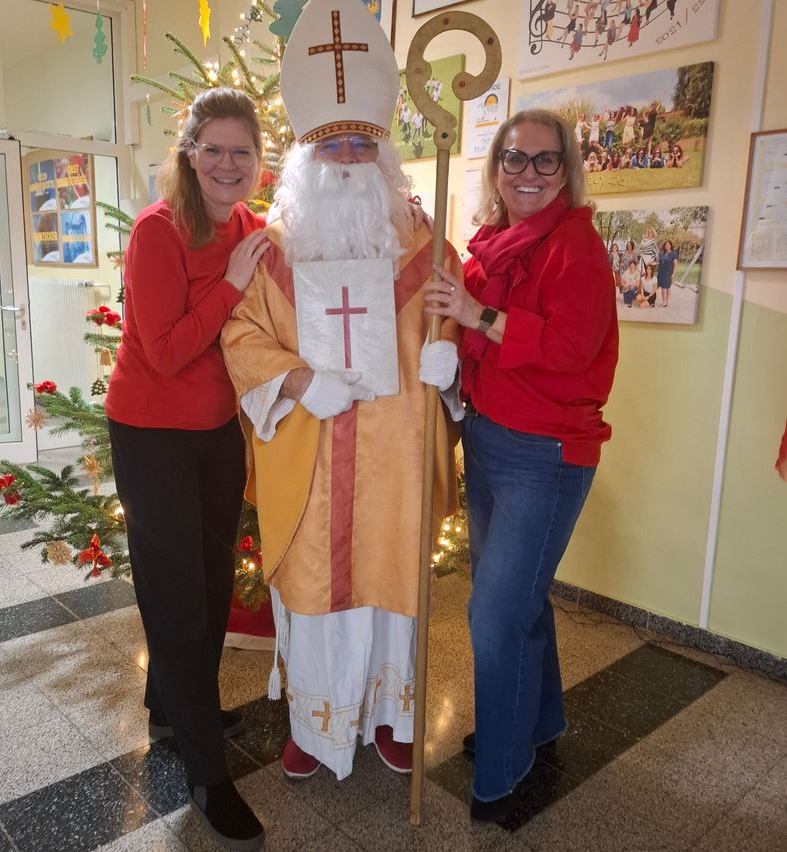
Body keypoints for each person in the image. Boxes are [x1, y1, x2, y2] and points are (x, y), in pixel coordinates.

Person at [221, 0, 460, 783]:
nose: (350, 158)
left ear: (384, 153)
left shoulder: (427, 243)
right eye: (333, 145)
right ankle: (315, 725)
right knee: (315, 589)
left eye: (363, 142)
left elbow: (453, 315)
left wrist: (449, 360)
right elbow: (240, 337)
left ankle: (391, 716)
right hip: (312, 449)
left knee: (393, 585)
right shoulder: (273, 251)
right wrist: (299, 379)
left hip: (396, 453)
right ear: (306, 159)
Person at [423, 108, 618, 822]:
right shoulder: (492, 243)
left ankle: (502, 772)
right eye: (514, 158)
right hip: (489, 439)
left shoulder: (576, 246)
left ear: (566, 170)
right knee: (518, 601)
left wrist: (476, 314)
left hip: (546, 454)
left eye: (544, 160)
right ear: (497, 167)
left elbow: (568, 348)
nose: (527, 172)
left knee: (494, 614)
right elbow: (461, 311)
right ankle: (538, 722)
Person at [104, 87, 271, 850]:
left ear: (258, 160)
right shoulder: (158, 230)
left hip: (216, 430)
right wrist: (231, 281)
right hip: (152, 432)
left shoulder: (251, 228)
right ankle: (208, 774)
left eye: (243, 151)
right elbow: (167, 351)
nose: (229, 164)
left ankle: (172, 710)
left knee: (209, 582)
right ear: (191, 153)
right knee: (178, 598)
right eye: (215, 150)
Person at [657, 238, 679, 306]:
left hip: (668, 273)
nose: (667, 246)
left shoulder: (673, 254)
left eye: (668, 245)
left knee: (666, 287)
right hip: (661, 272)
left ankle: (665, 301)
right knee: (664, 287)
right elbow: (659, 262)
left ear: (670, 246)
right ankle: (665, 301)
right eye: (666, 245)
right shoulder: (661, 253)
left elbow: (675, 264)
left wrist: (673, 274)